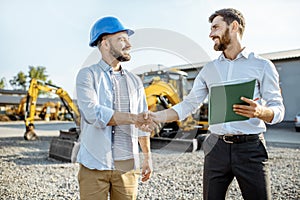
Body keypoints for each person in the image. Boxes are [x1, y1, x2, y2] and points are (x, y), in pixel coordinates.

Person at [148, 8, 284, 200]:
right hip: (216, 148)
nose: (211, 34)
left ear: (234, 26)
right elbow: (188, 105)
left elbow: (278, 109)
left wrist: (261, 111)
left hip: (250, 148)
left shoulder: (262, 66)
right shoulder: (209, 70)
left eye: (215, 27)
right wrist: (157, 116)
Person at [76, 16, 156, 200]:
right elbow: (92, 114)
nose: (128, 44)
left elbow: (143, 122)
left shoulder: (135, 81)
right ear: (104, 43)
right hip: (93, 167)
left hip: (127, 169)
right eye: (121, 39)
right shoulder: (87, 75)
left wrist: (147, 157)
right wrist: (132, 118)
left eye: (128, 39)